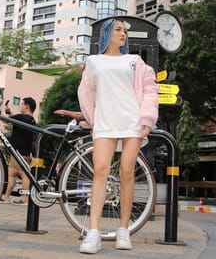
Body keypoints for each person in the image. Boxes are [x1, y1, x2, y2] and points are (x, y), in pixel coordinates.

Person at [77, 19, 159, 254]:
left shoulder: (134, 61)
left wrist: (146, 119)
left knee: (126, 173)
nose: (123, 34)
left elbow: (150, 90)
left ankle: (124, 229)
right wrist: (90, 119)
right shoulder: (93, 62)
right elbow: (87, 93)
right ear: (107, 34)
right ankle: (93, 232)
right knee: (100, 171)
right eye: (118, 29)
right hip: (104, 122)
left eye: (125, 31)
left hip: (131, 121)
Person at [0, 97, 37, 205]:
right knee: (15, 173)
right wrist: (8, 111)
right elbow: (12, 117)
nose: (21, 106)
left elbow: (7, 120)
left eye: (22, 104)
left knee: (20, 174)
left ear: (27, 106)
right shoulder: (32, 120)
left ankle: (23, 198)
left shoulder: (22, 118)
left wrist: (3, 112)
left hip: (18, 152)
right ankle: (8, 196)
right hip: (25, 152)